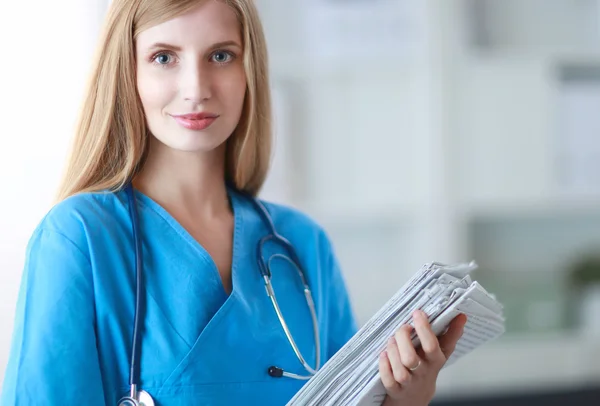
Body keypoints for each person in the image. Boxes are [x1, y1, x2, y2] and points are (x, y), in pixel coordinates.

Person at [0, 0, 467, 405]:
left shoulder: (302, 244)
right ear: (128, 72)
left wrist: (406, 397)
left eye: (220, 55)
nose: (196, 87)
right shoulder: (78, 239)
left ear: (249, 72)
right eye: (164, 57)